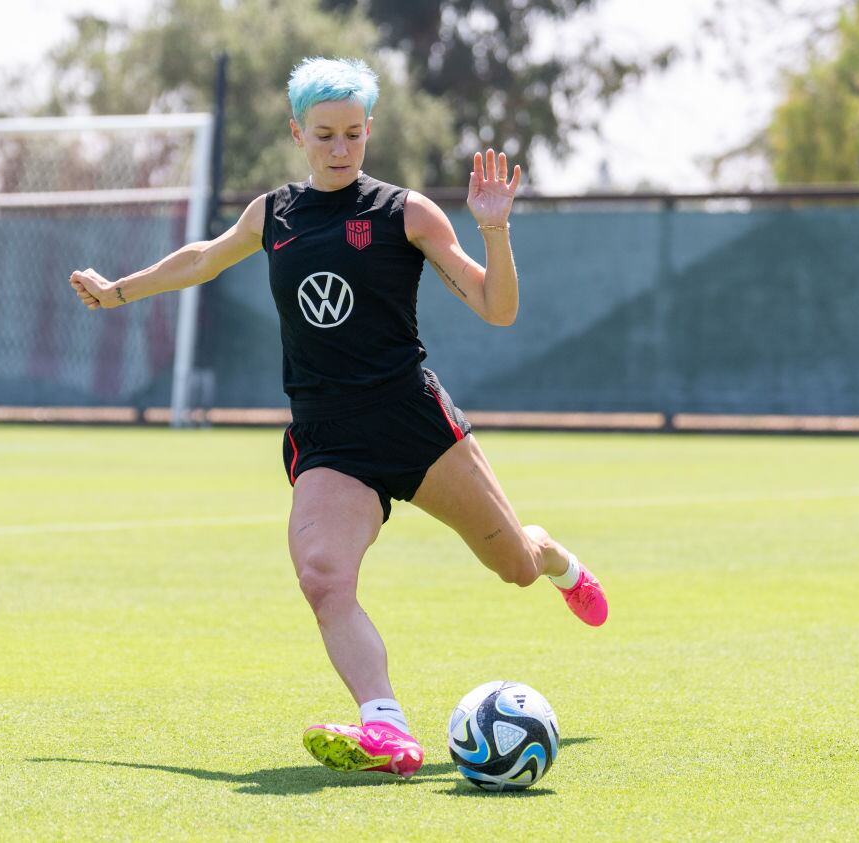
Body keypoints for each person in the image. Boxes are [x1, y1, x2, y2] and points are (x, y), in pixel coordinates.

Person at [70, 56, 608, 780]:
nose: (339, 148)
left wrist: (495, 232)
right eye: (323, 134)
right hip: (329, 437)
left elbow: (498, 309)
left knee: (512, 564)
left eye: (353, 134)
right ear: (297, 132)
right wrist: (118, 291)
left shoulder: (406, 213)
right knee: (323, 575)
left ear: (368, 131)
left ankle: (554, 559)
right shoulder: (274, 213)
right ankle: (386, 727)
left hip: (414, 424)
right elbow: (204, 257)